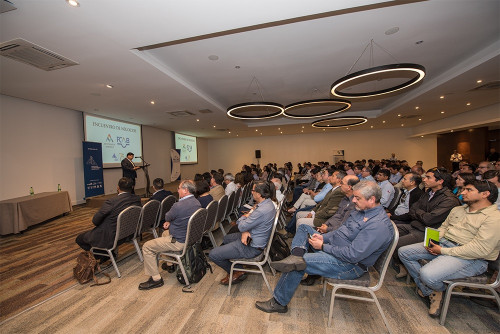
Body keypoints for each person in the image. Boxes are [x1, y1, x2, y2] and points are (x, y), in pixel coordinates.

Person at [254, 181, 394, 314]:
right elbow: (340, 232)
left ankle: (278, 303)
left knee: (298, 263)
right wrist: (324, 238)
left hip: (349, 265)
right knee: (304, 228)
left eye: (357, 198)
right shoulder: (361, 211)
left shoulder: (378, 225)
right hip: (336, 249)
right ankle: (295, 256)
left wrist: (323, 246)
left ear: (372, 199)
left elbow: (353, 255)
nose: (353, 201)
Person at [399, 180, 500, 317]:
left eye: (469, 190)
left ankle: (433, 287)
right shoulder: (458, 209)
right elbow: (444, 228)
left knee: (427, 274)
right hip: (445, 245)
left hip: (470, 258)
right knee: (404, 252)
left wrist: (442, 251)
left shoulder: (494, 218)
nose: (462, 192)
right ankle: (433, 291)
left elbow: (480, 249)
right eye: (463, 189)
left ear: (485, 194)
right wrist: (434, 242)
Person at [392, 168, 460, 278]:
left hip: (430, 232)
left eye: (428, 177)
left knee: (397, 243)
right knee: (389, 231)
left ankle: (405, 267)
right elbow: (412, 209)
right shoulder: (428, 192)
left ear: (440, 181)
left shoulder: (449, 199)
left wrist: (419, 213)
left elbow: (429, 219)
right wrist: (421, 214)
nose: (424, 179)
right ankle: (399, 263)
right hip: (416, 225)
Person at [209, 181, 276, 285]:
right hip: (255, 238)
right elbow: (247, 226)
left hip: (252, 247)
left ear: (259, 194)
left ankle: (237, 271)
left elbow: (240, 225)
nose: (251, 192)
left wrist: (244, 218)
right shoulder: (268, 203)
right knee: (227, 239)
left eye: (253, 190)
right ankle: (237, 267)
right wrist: (246, 229)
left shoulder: (261, 210)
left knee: (213, 254)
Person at [138, 180, 201, 290]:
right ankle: (170, 264)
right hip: (189, 237)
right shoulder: (196, 202)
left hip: (179, 241)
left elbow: (167, 216)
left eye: (179, 188)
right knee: (165, 233)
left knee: (147, 246)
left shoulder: (178, 205)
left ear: (185, 190)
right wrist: (171, 223)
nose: (177, 190)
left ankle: (156, 279)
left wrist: (170, 221)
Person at [76, 178, 141, 258]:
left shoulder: (112, 201)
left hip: (111, 236)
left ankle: (104, 255)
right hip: (129, 233)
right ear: (132, 187)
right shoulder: (137, 199)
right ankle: (104, 254)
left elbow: (95, 221)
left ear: (118, 187)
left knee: (80, 239)